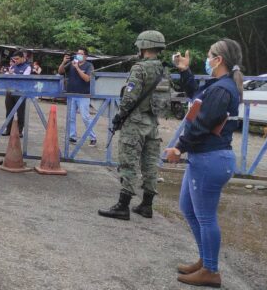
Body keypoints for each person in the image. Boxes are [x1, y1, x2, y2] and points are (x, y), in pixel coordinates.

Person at [163, 39, 242, 288]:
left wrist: (179, 147)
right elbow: (195, 97)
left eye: (209, 55)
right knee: (188, 207)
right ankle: (205, 259)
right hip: (204, 158)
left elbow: (203, 123)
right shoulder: (218, 85)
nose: (206, 59)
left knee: (206, 217)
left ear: (218, 60)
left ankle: (211, 270)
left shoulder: (223, 89)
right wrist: (185, 70)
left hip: (211, 159)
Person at [99, 30, 170, 220]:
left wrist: (119, 116)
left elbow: (129, 97)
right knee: (150, 164)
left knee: (128, 162)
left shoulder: (139, 69)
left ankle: (123, 206)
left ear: (144, 46)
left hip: (135, 122)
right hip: (152, 123)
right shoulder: (163, 69)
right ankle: (147, 205)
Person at [58, 47, 97, 145]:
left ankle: (92, 137)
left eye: (81, 54)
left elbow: (87, 79)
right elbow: (60, 71)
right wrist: (63, 62)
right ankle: (72, 137)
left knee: (85, 117)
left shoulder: (89, 66)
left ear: (85, 56)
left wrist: (77, 68)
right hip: (71, 94)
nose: (78, 55)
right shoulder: (71, 63)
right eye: (77, 53)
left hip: (83, 95)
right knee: (71, 117)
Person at [3, 51, 31, 137]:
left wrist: (13, 74)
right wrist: (8, 73)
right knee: (9, 111)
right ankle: (8, 129)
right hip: (10, 91)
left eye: (17, 59)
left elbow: (24, 79)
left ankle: (19, 131)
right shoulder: (13, 66)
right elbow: (6, 75)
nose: (16, 61)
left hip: (20, 92)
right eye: (14, 59)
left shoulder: (27, 67)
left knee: (20, 112)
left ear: (23, 58)